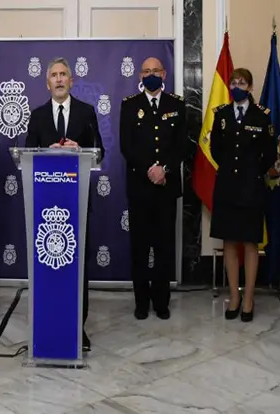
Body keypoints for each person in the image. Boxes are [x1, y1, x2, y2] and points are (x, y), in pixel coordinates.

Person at [25, 57, 103, 351]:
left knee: (77, 267)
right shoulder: (37, 115)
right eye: (54, 76)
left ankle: (77, 327)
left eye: (63, 75)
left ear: (72, 81)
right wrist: (48, 152)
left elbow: (100, 152)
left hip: (77, 204)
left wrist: (80, 150)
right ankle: (48, 323)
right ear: (48, 83)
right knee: (49, 266)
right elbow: (27, 154)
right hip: (44, 207)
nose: (59, 80)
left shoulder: (86, 112)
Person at [119, 57, 186, 320]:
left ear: (164, 73)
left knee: (164, 247)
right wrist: (150, 168)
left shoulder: (177, 104)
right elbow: (127, 145)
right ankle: (141, 302)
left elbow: (182, 145)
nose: (150, 75)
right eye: (146, 71)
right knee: (139, 247)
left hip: (166, 188)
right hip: (139, 187)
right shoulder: (129, 105)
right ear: (140, 75)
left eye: (155, 70)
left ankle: (161, 301)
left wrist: (164, 169)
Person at [209, 68, 276, 322]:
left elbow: (269, 153)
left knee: (249, 243)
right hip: (227, 186)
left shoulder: (261, 116)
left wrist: (252, 173)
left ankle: (248, 298)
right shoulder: (222, 115)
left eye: (242, 82)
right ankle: (234, 297)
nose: (237, 86)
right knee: (229, 242)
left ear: (250, 87)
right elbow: (215, 148)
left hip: (251, 187)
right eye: (233, 82)